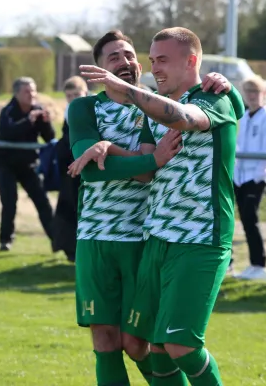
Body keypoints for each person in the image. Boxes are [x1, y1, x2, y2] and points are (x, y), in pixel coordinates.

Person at [66, 30, 238, 386]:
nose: (128, 63)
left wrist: (230, 88)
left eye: (133, 56)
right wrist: (107, 147)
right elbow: (143, 168)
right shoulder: (95, 108)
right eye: (113, 57)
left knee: (175, 345)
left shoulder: (196, 100)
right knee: (126, 342)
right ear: (99, 68)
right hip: (129, 237)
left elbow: (186, 119)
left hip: (181, 237)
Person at [0, 77, 55, 251]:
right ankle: (5, 240)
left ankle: (57, 239)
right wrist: (28, 120)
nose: (32, 94)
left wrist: (46, 121)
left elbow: (49, 137)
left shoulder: (37, 109)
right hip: (6, 164)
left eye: (33, 90)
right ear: (17, 93)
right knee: (9, 202)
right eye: (27, 91)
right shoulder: (8, 111)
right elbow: (7, 133)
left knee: (42, 201)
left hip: (28, 164)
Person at [232, 75, 266, 280]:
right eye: (248, 92)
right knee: (243, 220)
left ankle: (260, 264)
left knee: (251, 219)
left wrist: (259, 176)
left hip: (256, 177)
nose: (251, 96)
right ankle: (252, 264)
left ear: (263, 94)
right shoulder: (243, 115)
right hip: (239, 177)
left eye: (255, 92)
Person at [51, 76, 88, 262]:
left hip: (84, 170)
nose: (73, 99)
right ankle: (70, 249)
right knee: (68, 208)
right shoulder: (69, 111)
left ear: (85, 92)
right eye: (69, 95)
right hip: (70, 170)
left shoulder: (90, 109)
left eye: (77, 94)